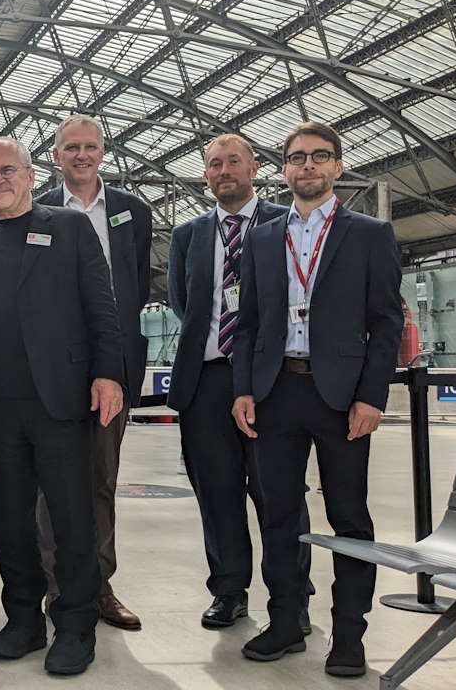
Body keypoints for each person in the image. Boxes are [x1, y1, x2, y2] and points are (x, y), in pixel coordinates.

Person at [0, 136, 125, 676]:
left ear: (29, 176)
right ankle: (23, 618)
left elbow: (102, 305)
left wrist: (108, 374)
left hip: (61, 400)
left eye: (7, 171)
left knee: (72, 518)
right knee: (10, 519)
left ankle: (74, 624)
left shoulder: (68, 228)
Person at [232, 121, 403, 677]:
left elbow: (384, 322)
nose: (308, 166)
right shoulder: (263, 237)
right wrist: (244, 388)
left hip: (340, 396)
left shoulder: (369, 234)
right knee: (278, 512)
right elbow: (250, 323)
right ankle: (285, 622)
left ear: (337, 167)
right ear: (283, 170)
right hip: (278, 390)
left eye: (319, 157)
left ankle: (349, 636)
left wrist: (371, 396)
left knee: (349, 516)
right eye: (297, 157)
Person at [167, 134, 314, 632]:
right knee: (217, 490)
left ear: (255, 168)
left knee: (279, 492)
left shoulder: (283, 222)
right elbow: (183, 304)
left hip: (271, 378)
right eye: (214, 164)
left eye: (234, 162)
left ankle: (292, 595)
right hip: (207, 379)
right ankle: (229, 590)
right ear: (205, 175)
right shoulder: (188, 235)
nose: (224, 170)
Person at [33, 114, 152, 631]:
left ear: (103, 152)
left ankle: (100, 586)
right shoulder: (36, 209)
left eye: (91, 147)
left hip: (110, 369)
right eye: (71, 147)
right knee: (51, 483)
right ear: (55, 156)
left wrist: (117, 367)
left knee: (103, 479)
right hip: (51, 372)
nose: (81, 155)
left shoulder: (131, 211)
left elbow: (135, 290)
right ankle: (57, 586)